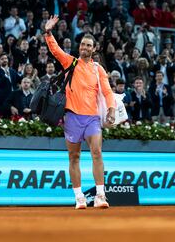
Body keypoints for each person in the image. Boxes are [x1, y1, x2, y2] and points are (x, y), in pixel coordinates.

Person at [44, 15, 115, 210]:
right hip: (72, 117)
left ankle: (100, 195)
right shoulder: (70, 63)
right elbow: (55, 50)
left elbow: (107, 91)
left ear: (94, 49)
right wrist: (48, 32)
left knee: (97, 153)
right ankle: (79, 197)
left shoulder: (98, 69)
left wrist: (111, 109)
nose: (84, 48)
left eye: (88, 46)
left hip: (92, 118)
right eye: (83, 45)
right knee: (74, 157)